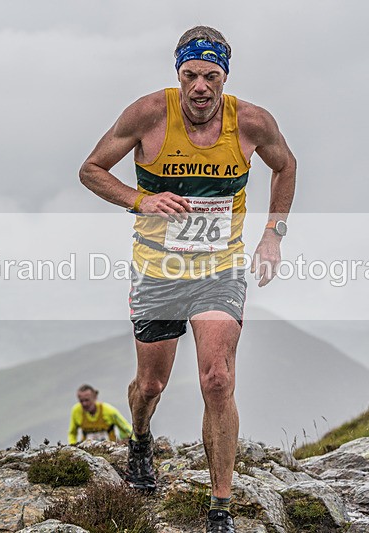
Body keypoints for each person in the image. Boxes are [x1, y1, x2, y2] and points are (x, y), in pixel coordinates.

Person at [79, 26, 296, 532]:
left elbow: (285, 167)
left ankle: (220, 508)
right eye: (190, 75)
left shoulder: (252, 122)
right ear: (178, 74)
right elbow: (91, 170)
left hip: (219, 268)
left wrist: (273, 234)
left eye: (211, 76)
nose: (200, 86)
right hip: (158, 269)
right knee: (151, 383)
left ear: (225, 77)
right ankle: (140, 440)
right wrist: (141, 200)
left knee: (217, 378)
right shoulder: (149, 114)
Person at [68, 384, 132, 444]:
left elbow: (127, 428)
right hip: (87, 448)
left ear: (95, 397)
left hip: (110, 448)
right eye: (81, 401)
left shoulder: (108, 410)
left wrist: (125, 441)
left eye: (87, 400)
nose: (84, 404)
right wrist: (72, 446)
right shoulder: (76, 411)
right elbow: (72, 433)